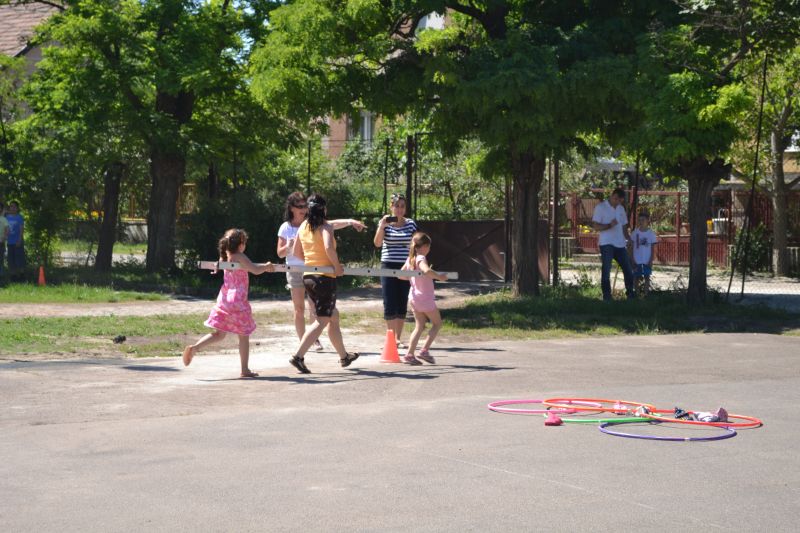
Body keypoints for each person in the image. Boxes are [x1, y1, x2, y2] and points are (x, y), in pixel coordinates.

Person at [276, 192, 365, 353]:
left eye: (305, 205)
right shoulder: (288, 227)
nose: (303, 209)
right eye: (300, 206)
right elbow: (281, 253)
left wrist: (350, 221)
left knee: (319, 310)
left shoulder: (309, 222)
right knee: (303, 310)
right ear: (291, 208)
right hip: (301, 272)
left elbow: (330, 225)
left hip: (311, 271)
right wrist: (290, 247)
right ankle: (302, 347)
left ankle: (319, 344)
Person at [183, 229, 274, 378]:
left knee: (219, 334)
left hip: (225, 299)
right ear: (241, 244)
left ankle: (195, 348)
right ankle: (244, 369)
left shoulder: (225, 256)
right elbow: (255, 270)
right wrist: (267, 266)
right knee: (243, 335)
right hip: (238, 301)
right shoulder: (240, 256)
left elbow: (219, 266)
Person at [373, 193, 417, 348]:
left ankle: (398, 338)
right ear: (391, 207)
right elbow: (377, 243)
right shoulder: (386, 223)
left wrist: (412, 262)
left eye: (402, 206)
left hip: (405, 266)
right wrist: (381, 226)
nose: (399, 209)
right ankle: (390, 338)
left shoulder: (411, 224)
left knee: (401, 300)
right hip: (388, 265)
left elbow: (415, 244)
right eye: (397, 206)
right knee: (389, 300)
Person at [400, 232, 447, 365]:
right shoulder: (421, 258)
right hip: (425, 298)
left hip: (414, 297)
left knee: (419, 326)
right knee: (437, 324)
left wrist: (413, 277)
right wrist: (439, 277)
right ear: (425, 246)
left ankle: (409, 355)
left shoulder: (410, 259)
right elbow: (426, 271)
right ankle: (424, 351)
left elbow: (401, 275)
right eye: (429, 246)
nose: (429, 249)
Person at [591, 188, 634, 300]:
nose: (617, 202)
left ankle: (630, 294)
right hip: (606, 243)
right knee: (606, 269)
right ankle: (607, 296)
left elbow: (624, 227)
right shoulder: (601, 207)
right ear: (612, 195)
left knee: (628, 268)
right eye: (616, 199)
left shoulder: (621, 208)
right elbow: (595, 226)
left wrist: (629, 239)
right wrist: (609, 225)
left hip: (620, 244)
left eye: (620, 201)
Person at [630, 211, 658, 296]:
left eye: (643, 220)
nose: (641, 222)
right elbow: (631, 247)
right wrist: (632, 259)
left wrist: (651, 260)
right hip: (637, 260)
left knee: (647, 277)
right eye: (639, 220)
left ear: (647, 221)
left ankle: (646, 294)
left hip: (646, 260)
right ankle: (637, 294)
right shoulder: (635, 233)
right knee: (636, 277)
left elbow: (653, 249)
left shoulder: (651, 234)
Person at [5, 201, 25, 277]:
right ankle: (13, 275)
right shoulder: (7, 217)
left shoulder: (19, 217)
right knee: (11, 259)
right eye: (11, 206)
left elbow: (21, 229)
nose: (12, 208)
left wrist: (19, 239)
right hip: (9, 241)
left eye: (14, 206)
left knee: (19, 258)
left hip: (17, 241)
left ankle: (22, 275)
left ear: (17, 208)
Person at [0, 201, 9, 276]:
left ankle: (1, 278)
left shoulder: (4, 219)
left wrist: (4, 238)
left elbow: (7, 230)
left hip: (1, 242)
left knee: (0, 260)